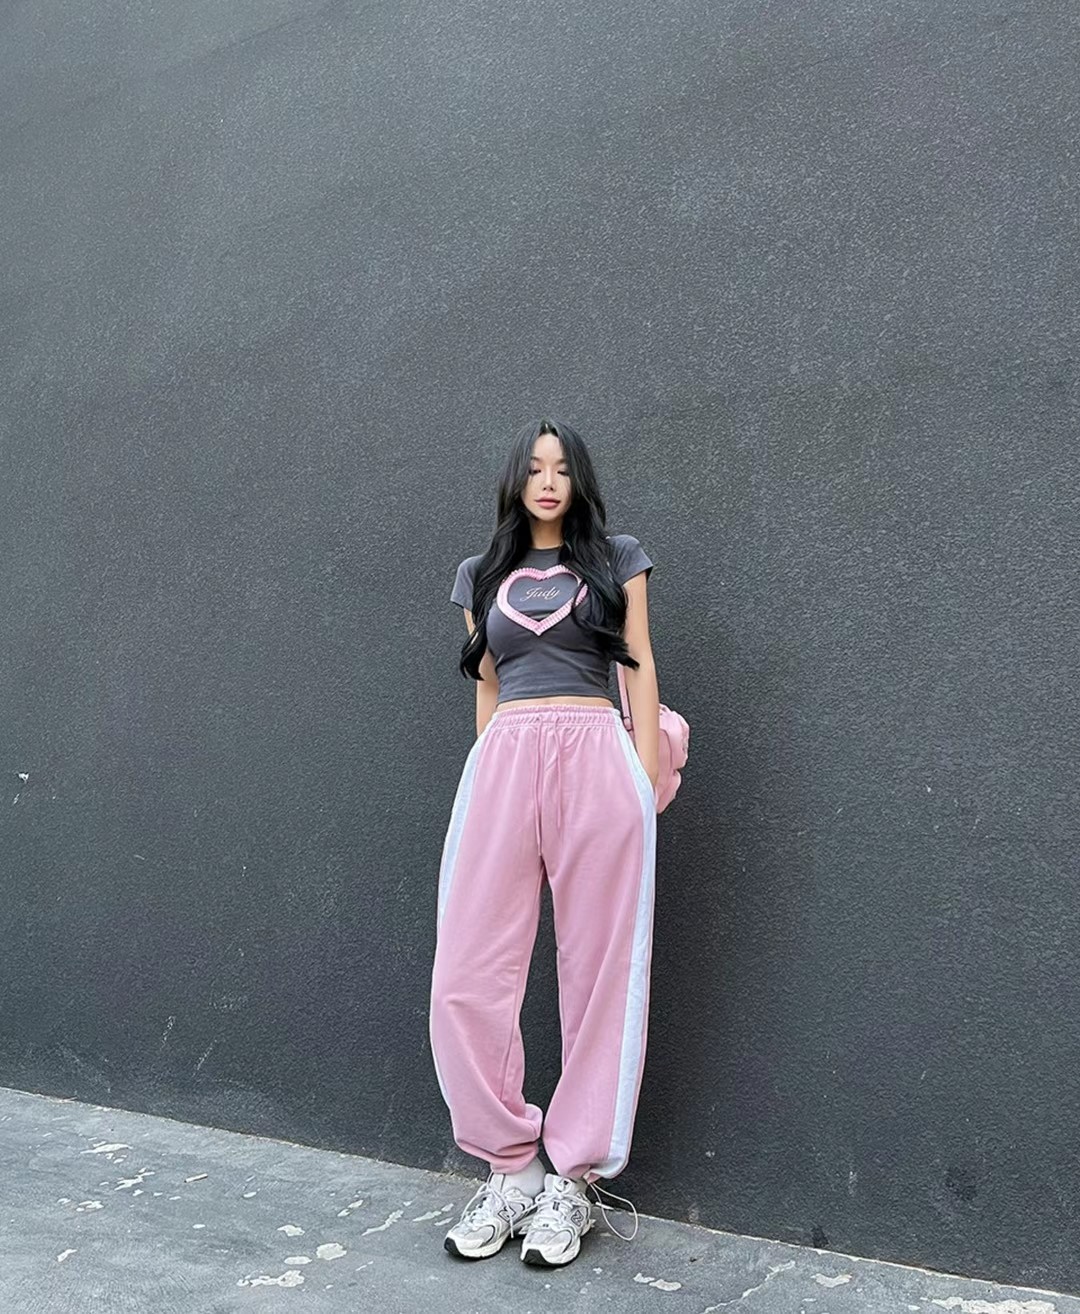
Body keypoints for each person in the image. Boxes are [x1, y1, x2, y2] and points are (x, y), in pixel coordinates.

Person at [429, 417, 660, 1268]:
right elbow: (487, 689)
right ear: (516, 481)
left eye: (562, 468)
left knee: (600, 972)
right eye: (534, 468)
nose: (549, 481)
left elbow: (639, 664)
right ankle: (513, 1168)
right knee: (466, 975)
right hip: (506, 761)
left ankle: (575, 1179)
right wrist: (491, 767)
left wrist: (641, 783)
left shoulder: (616, 560)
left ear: (579, 479)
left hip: (598, 756)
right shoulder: (481, 574)